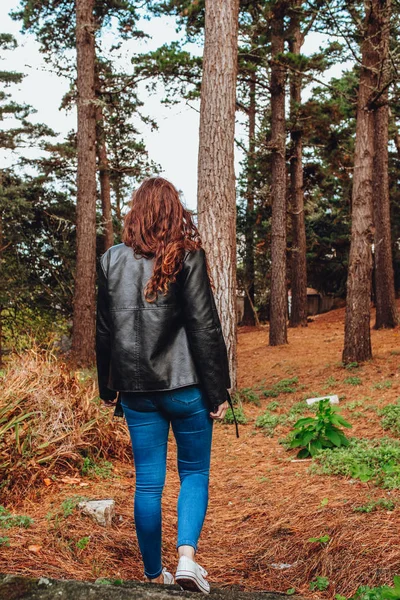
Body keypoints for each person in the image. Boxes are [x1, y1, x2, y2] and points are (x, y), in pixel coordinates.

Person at [96, 177, 238, 594]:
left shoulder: (110, 261)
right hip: (187, 388)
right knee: (193, 474)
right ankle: (187, 560)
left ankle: (155, 575)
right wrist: (218, 390)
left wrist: (109, 388)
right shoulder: (187, 256)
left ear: (135, 214)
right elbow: (205, 328)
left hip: (137, 393)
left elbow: (104, 331)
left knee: (148, 483)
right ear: (174, 212)